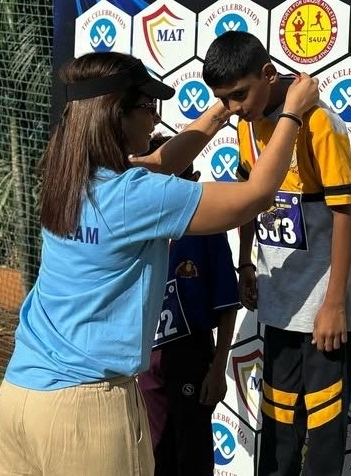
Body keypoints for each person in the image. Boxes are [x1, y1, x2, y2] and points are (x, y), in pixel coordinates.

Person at [0, 51, 319, 476]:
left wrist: (222, 109)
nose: (156, 118)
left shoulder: (65, 174)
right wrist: (292, 112)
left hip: (21, 394)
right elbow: (255, 197)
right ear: (117, 115)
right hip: (84, 410)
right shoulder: (132, 196)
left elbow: (164, 162)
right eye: (148, 106)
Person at [202, 32, 351, 476]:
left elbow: (343, 214)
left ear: (269, 75)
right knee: (276, 418)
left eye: (240, 94)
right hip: (279, 300)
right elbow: (247, 200)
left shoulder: (319, 121)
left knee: (325, 421)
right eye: (224, 99)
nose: (234, 107)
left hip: (321, 307)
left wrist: (334, 303)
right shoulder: (245, 124)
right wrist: (246, 263)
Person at [137, 134, 240, 476]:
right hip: (145, 358)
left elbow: (227, 304)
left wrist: (218, 367)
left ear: (192, 181)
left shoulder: (207, 230)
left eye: (174, 182)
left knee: (192, 457)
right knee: (154, 454)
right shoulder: (137, 226)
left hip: (191, 356)